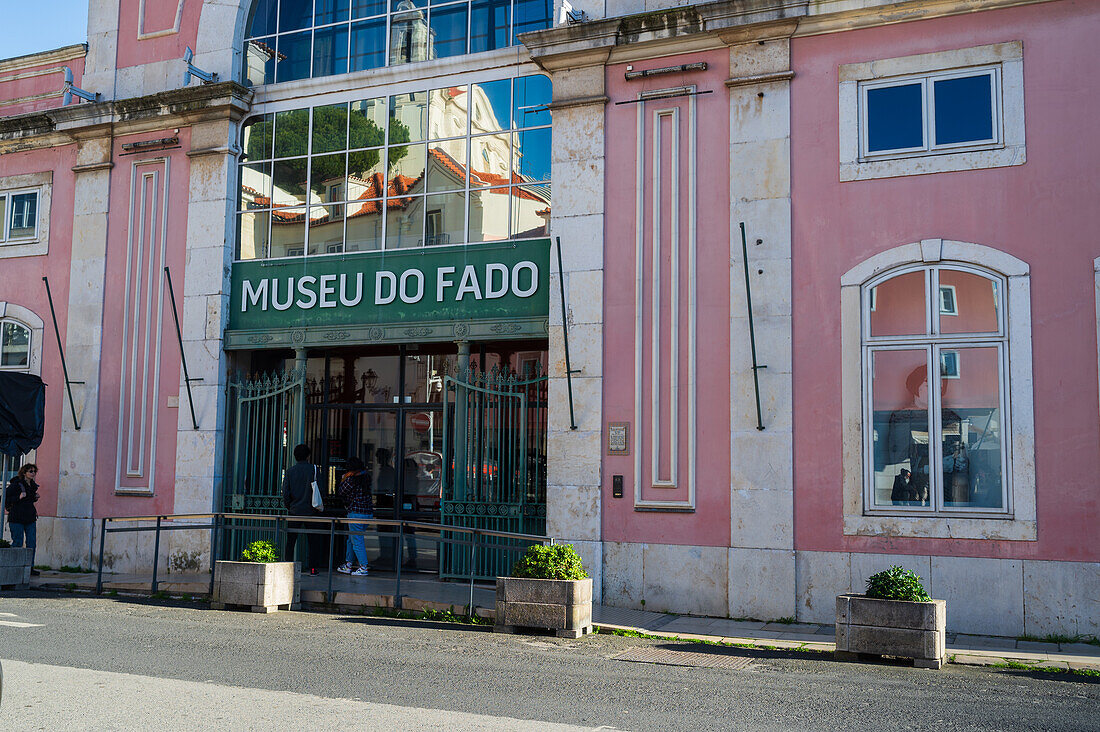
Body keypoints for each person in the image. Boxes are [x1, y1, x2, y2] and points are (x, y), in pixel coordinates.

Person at [282, 444, 323, 575]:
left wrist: (289, 506)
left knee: (291, 541)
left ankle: (287, 568)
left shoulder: (290, 471)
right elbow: (321, 489)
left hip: (294, 511)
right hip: (312, 511)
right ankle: (312, 568)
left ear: (295, 456)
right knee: (313, 541)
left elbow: (285, 492)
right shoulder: (314, 470)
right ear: (308, 455)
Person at [336, 456, 372, 576]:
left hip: (356, 513)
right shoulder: (366, 477)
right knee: (351, 540)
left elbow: (341, 491)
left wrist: (343, 479)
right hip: (367, 513)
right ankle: (348, 564)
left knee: (356, 541)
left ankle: (363, 567)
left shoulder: (351, 480)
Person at [5, 464, 40, 575]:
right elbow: (5, 497)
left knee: (31, 543)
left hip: (30, 518)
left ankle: (30, 567)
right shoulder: (16, 484)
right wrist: (18, 497)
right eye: (30, 471)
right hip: (17, 518)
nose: (33, 473)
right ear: (24, 472)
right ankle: (13, 567)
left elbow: (28, 501)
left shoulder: (33, 485)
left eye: (34, 471)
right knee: (17, 542)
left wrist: (35, 497)